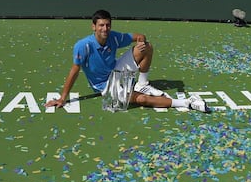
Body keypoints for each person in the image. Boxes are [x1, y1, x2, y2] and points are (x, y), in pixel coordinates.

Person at [45, 9, 209, 112]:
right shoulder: (83, 46)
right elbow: (74, 71)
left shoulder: (114, 37)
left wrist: (141, 41)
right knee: (142, 100)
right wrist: (63, 97)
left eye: (107, 25)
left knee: (147, 46)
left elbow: (139, 36)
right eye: (101, 25)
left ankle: (142, 84)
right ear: (93, 26)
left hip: (117, 70)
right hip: (106, 86)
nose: (105, 29)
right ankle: (187, 103)